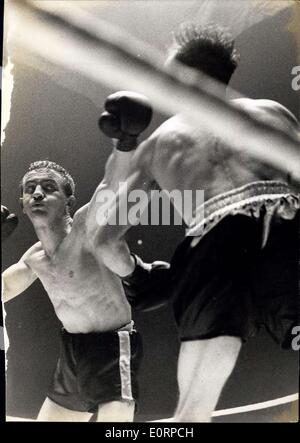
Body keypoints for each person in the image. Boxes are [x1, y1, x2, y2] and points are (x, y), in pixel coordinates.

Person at [96, 24, 300, 422]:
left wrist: (141, 279)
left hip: (214, 241)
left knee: (191, 413)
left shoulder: (158, 143)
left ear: (181, 77)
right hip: (287, 226)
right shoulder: (273, 113)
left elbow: (105, 238)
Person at [1, 91, 155, 422]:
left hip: (113, 348)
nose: (38, 192)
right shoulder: (34, 259)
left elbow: (114, 183)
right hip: (72, 351)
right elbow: (2, 292)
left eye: (48, 186)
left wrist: (125, 141)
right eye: (30, 189)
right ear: (24, 203)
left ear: (68, 200)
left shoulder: (86, 227)